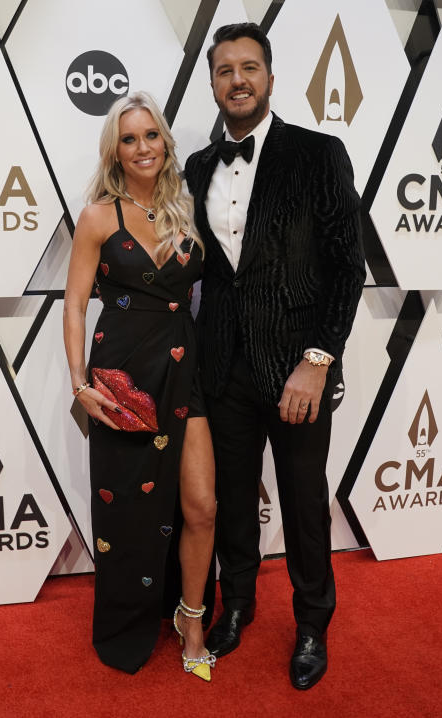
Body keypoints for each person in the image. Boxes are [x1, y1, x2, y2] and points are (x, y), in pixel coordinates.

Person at [184, 23, 365, 690]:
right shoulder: (198, 167)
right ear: (212, 82)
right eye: (225, 69)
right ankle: (236, 608)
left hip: (297, 370)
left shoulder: (317, 153)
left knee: (303, 502)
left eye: (249, 67)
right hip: (222, 366)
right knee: (233, 500)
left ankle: (313, 623)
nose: (237, 79)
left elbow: (347, 267)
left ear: (269, 75)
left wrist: (317, 360)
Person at [63, 92, 217, 680]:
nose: (142, 147)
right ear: (115, 152)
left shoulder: (187, 207)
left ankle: (191, 615)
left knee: (201, 506)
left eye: (150, 135)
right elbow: (76, 306)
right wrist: (80, 386)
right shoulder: (99, 216)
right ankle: (129, 621)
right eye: (129, 139)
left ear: (165, 141)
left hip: (184, 371)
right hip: (122, 378)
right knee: (126, 510)